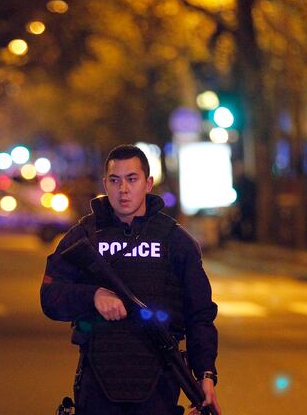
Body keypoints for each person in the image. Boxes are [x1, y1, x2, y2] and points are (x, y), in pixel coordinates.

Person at [41, 144, 221, 414]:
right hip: (98, 380)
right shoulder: (84, 237)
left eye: (131, 179)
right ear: (105, 184)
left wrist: (205, 375)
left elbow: (200, 314)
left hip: (158, 380)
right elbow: (50, 297)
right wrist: (93, 297)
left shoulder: (175, 241)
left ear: (148, 184)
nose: (123, 189)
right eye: (115, 180)